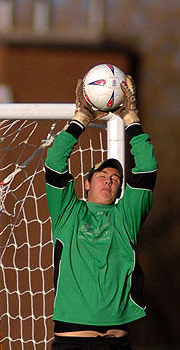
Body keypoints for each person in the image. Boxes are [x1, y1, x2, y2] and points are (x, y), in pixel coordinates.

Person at [45, 75, 157, 349]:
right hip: (73, 342)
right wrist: (81, 118)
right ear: (86, 182)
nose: (109, 179)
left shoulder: (125, 217)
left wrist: (131, 119)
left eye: (116, 178)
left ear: (120, 190)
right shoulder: (67, 212)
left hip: (117, 341)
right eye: (102, 174)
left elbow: (146, 169)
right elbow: (55, 162)